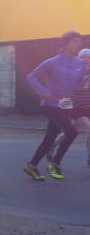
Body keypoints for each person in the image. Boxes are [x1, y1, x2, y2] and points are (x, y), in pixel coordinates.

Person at [23, 31, 84, 181]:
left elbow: (79, 83)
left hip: (65, 105)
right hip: (50, 104)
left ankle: (32, 165)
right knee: (72, 131)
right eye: (75, 41)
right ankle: (55, 164)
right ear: (65, 44)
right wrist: (42, 92)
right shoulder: (52, 62)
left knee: (49, 139)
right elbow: (31, 76)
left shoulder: (80, 63)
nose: (78, 44)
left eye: (79, 41)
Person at [48, 48, 90, 168]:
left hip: (88, 106)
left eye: (88, 57)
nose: (87, 59)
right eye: (84, 57)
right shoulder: (75, 70)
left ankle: (51, 147)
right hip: (76, 107)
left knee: (71, 131)